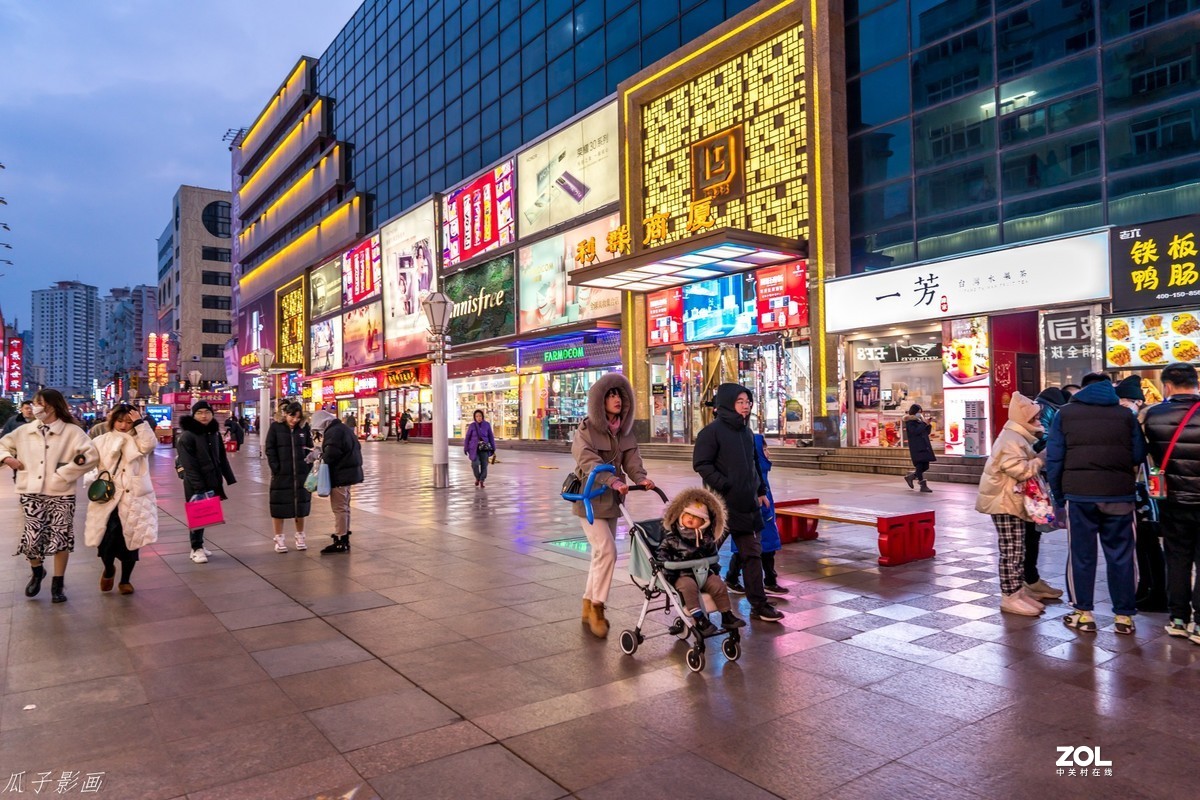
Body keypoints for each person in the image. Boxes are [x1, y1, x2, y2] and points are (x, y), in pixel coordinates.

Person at [1046, 376, 1145, 634]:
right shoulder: (1125, 415)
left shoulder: (1065, 414)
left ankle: (1083, 614)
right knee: (1122, 555)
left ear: (1083, 389)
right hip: (1119, 495)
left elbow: (1054, 458)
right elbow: (1138, 454)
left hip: (1079, 496)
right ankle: (1124, 617)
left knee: (1081, 555)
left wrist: (1059, 496)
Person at [570, 372, 654, 638]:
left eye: (619, 395)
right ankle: (598, 607)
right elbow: (586, 459)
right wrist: (611, 480)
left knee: (600, 553)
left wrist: (641, 478)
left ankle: (587, 603)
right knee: (608, 551)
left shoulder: (625, 431)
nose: (617, 399)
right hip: (589, 499)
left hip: (613, 500)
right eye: (611, 395)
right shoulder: (586, 430)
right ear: (600, 401)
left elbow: (632, 460)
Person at [693, 383, 784, 623]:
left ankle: (759, 604)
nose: (746, 406)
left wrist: (761, 490)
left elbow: (755, 464)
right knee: (706, 553)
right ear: (727, 403)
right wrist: (724, 484)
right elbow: (701, 464)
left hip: (748, 504)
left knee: (752, 555)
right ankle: (695, 600)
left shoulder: (746, 432)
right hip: (723, 506)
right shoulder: (711, 433)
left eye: (748, 402)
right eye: (740, 402)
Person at [0, 389, 99, 603]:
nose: (34, 407)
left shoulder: (72, 432)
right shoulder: (25, 431)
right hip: (31, 491)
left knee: (61, 537)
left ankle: (58, 583)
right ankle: (37, 571)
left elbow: (90, 456)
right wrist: (7, 459)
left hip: (61, 492)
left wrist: (63, 474)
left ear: (52, 406)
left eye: (39, 403)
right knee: (31, 538)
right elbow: (2, 445)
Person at [1142, 362, 1200, 643]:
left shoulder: (1154, 415)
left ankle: (1178, 618)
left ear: (1166, 387)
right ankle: (1199, 625)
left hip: (1172, 499)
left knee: (1176, 558)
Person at [975, 393, 1047, 616]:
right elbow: (1020, 470)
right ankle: (1010, 596)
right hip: (1004, 502)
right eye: (1034, 418)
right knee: (1011, 550)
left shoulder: (1017, 437)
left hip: (1010, 500)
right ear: (1024, 419)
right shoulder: (1011, 439)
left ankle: (1018, 592)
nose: (1038, 422)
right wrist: (1041, 458)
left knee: (1018, 549)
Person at [83, 404, 158, 594]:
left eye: (128, 422)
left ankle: (125, 580)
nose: (124, 425)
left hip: (133, 497)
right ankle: (109, 569)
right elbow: (89, 462)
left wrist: (140, 423)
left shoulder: (139, 441)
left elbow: (150, 444)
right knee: (105, 541)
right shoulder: (101, 440)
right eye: (119, 421)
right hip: (108, 497)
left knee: (130, 541)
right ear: (112, 420)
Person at [657, 486, 745, 632]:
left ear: (704, 522)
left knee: (718, 585)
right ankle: (699, 618)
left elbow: (712, 556)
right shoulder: (672, 538)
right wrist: (667, 568)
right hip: (682, 574)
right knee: (688, 587)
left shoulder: (707, 539)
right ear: (681, 516)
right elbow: (662, 553)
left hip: (704, 573)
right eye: (688, 515)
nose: (691, 518)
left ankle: (726, 615)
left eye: (696, 517)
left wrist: (714, 570)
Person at [175, 400, 237, 564]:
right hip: (194, 482)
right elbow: (189, 465)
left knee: (205, 514)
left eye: (207, 412)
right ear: (193, 415)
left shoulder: (213, 433)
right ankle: (196, 548)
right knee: (197, 513)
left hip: (211, 478)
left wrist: (228, 477)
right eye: (200, 413)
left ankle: (199, 545)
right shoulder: (187, 436)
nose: (204, 416)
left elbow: (221, 456)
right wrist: (199, 487)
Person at [727, 434, 788, 597]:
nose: (769, 453)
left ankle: (769, 581)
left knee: (766, 549)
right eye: (765, 449)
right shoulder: (753, 474)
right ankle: (733, 578)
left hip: (766, 517)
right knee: (748, 550)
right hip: (756, 518)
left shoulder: (762, 473)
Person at [1022, 387, 1068, 603]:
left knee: (1034, 529)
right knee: (1031, 530)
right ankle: (1028, 580)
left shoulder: (1044, 406)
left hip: (1037, 481)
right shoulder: (1046, 408)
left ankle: (1030, 578)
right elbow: (1042, 438)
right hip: (1035, 482)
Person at [310, 410, 363, 554]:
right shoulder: (342, 428)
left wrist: (318, 455)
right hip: (347, 474)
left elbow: (331, 455)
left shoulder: (334, 432)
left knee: (339, 508)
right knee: (344, 507)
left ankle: (340, 540)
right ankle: (344, 537)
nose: (319, 431)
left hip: (340, 475)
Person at [265, 401, 313, 553]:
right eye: (292, 416)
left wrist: (308, 465)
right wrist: (276, 468)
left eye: (298, 417)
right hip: (281, 475)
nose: (295, 420)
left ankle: (300, 536)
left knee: (300, 506)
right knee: (279, 506)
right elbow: (270, 448)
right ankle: (279, 538)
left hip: (301, 474)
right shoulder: (275, 427)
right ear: (285, 414)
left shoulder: (304, 428)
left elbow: (309, 448)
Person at [902, 403, 936, 493]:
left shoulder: (920, 420)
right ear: (914, 412)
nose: (920, 413)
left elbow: (926, 432)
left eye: (921, 412)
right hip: (917, 446)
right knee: (920, 465)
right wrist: (924, 423)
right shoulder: (910, 422)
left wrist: (928, 424)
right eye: (918, 412)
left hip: (924, 445)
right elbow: (915, 432)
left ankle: (911, 477)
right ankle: (923, 485)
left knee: (926, 466)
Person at [464, 409, 496, 488]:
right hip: (474, 448)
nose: (479, 418)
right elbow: (467, 437)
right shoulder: (472, 425)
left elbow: (491, 436)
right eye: (477, 416)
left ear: (482, 416)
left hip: (484, 448)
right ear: (474, 417)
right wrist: (465, 447)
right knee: (475, 464)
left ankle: (482, 480)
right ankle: (477, 478)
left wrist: (493, 447)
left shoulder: (487, 424)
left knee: (484, 465)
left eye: (480, 416)